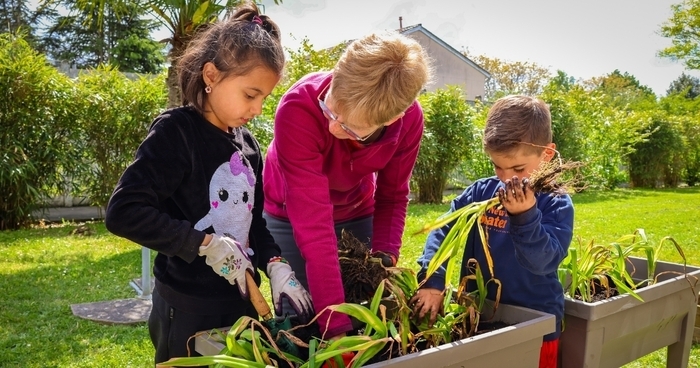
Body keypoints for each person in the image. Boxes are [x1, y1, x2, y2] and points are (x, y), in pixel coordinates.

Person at [104, 3, 312, 364]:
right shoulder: (176, 133)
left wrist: (276, 264)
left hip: (240, 304)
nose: (258, 109)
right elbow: (124, 212)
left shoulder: (248, 146)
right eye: (250, 95)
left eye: (264, 97)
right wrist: (204, 243)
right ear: (211, 75)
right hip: (187, 308)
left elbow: (254, 222)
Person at [262, 30, 432, 339]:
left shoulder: (408, 121)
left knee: (368, 311)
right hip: (291, 212)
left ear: (391, 120)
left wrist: (383, 259)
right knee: (302, 319)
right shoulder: (297, 110)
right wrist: (334, 328)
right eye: (330, 108)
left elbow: (393, 195)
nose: (331, 126)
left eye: (351, 127)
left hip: (356, 207)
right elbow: (313, 227)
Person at [411, 95, 574, 368]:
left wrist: (525, 216)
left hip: (536, 322)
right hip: (479, 315)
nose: (505, 176)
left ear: (546, 154)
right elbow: (443, 229)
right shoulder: (481, 192)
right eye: (498, 165)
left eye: (518, 168)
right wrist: (433, 279)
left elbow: (544, 260)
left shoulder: (554, 201)